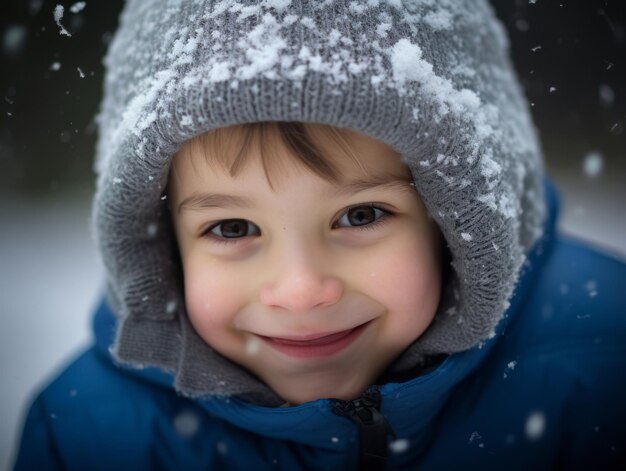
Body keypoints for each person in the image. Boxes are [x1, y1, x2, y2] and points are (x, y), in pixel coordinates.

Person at [14, 0, 626, 469]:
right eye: (232, 227)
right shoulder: (94, 434)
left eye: (361, 215)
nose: (301, 291)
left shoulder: (601, 367)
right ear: (160, 243)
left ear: (460, 217)